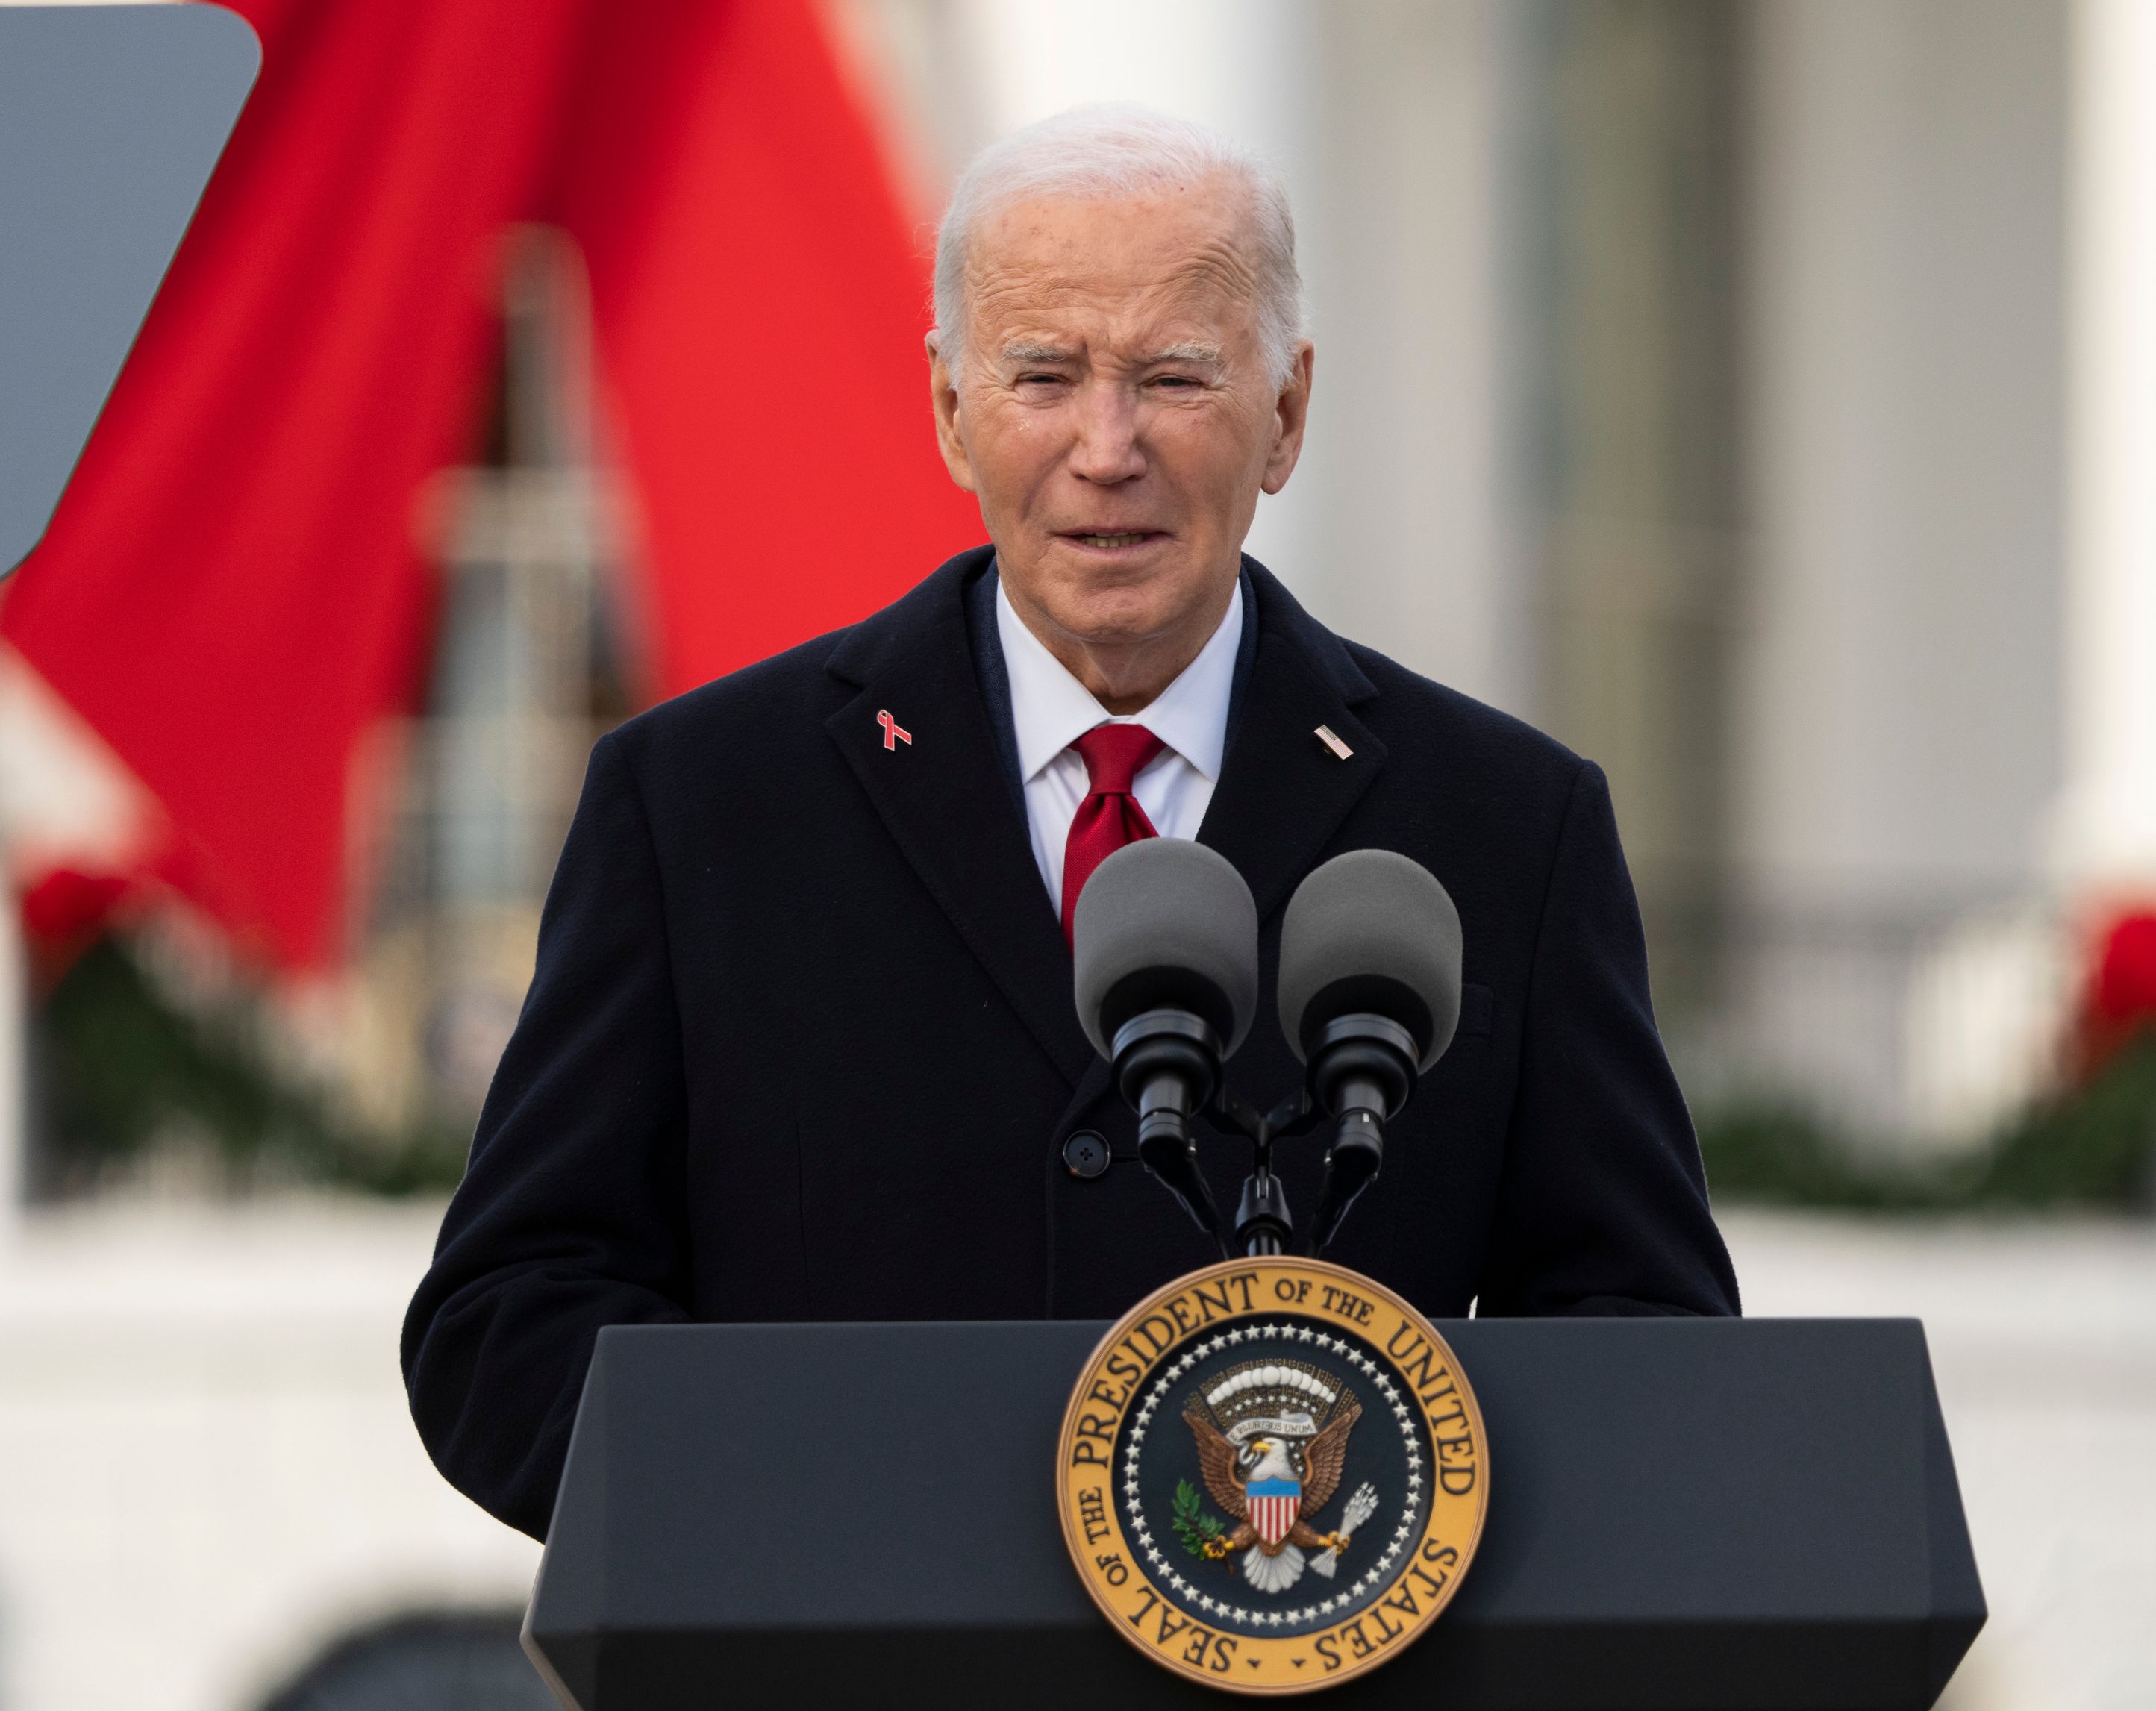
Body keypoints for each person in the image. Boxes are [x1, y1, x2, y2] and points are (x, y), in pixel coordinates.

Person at [400, 104, 1738, 1541]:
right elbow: (508, 1320)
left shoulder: (1503, 828)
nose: (1109, 448)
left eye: (1174, 377)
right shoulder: (703, 802)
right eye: (1044, 374)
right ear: (948, 411)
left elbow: (1643, 1342)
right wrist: (805, 1532)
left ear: (1286, 414)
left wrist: (1369, 1544)